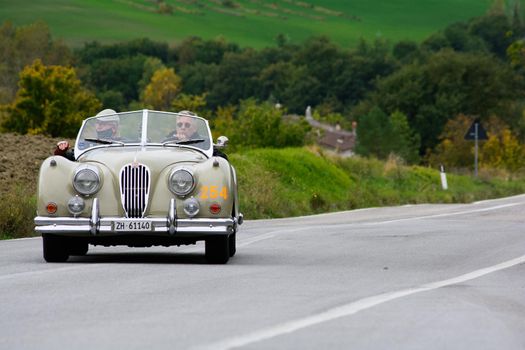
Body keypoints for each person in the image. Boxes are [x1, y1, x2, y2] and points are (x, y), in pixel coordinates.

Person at [54, 109, 118, 161]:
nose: (98, 127)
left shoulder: (124, 144)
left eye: (103, 124)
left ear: (114, 128)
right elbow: (66, 159)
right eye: (97, 123)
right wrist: (61, 151)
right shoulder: (88, 144)